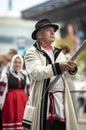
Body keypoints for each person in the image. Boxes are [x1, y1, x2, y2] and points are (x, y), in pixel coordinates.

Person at [22, 19, 79, 130]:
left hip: (61, 100)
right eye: (49, 30)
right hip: (44, 100)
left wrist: (72, 68)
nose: (53, 33)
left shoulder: (58, 52)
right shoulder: (32, 52)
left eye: (53, 31)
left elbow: (67, 75)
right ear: (39, 35)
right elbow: (35, 72)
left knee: (61, 127)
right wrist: (58, 66)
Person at [0, 54, 30, 130]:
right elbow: (1, 92)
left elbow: (28, 91)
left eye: (19, 62)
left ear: (22, 63)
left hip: (23, 102)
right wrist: (1, 104)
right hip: (10, 102)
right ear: (12, 63)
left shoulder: (25, 75)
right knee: (11, 118)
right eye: (15, 62)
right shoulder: (6, 75)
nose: (17, 64)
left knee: (22, 121)